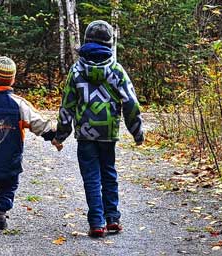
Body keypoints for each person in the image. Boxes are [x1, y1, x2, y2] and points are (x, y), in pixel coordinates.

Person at [52, 20, 144, 238]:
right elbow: (131, 103)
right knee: (109, 173)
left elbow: (67, 106)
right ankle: (112, 218)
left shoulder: (76, 71)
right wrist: (137, 132)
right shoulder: (116, 71)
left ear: (86, 41)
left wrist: (60, 135)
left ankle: (96, 223)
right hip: (108, 133)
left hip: (85, 135)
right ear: (110, 43)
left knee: (91, 177)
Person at [0, 56, 59, 230]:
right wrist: (54, 135)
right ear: (13, 79)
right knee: (9, 185)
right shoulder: (19, 104)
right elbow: (39, 123)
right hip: (10, 159)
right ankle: (1, 212)